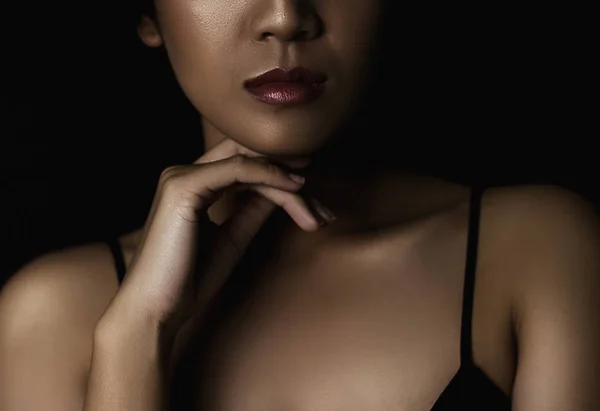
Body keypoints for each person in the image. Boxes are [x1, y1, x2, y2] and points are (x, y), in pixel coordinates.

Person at [1, 0, 599, 410]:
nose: (286, 17)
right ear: (147, 13)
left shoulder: (534, 250)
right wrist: (137, 338)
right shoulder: (51, 317)